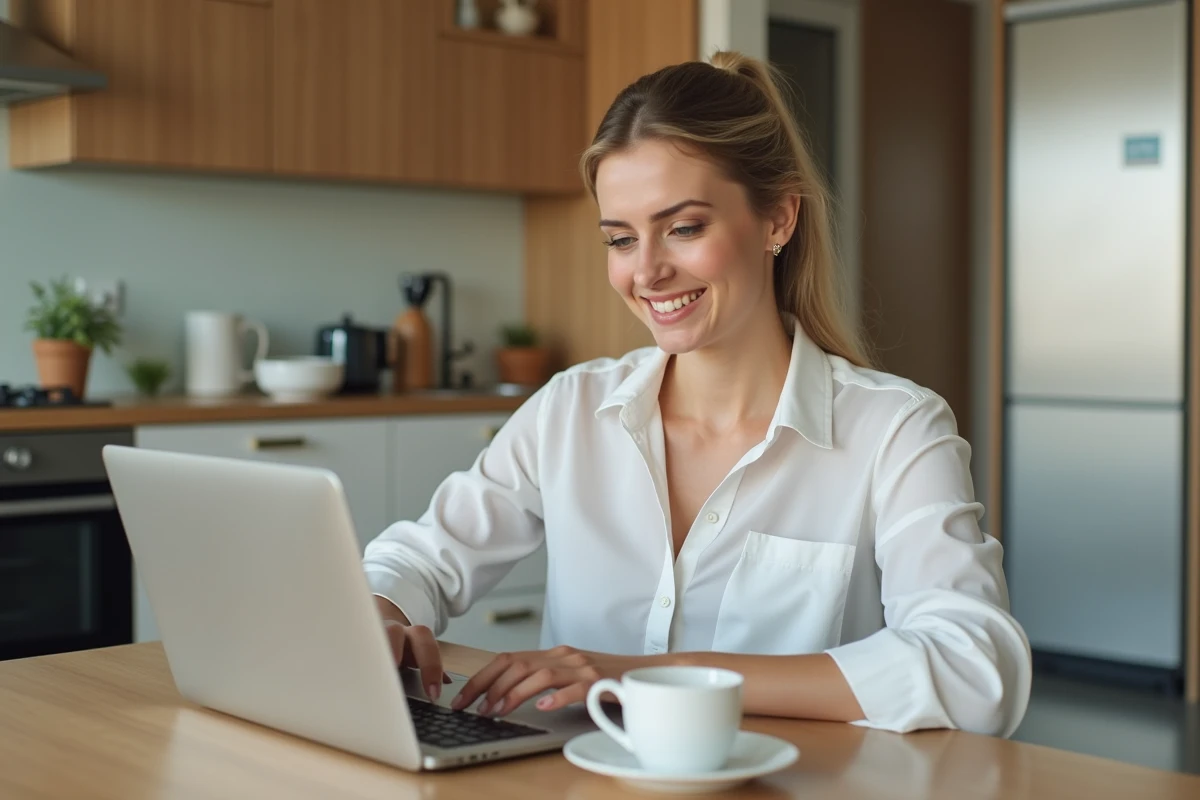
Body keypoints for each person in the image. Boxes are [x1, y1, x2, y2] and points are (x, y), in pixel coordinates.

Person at [363, 51, 1031, 737]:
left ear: (778, 220)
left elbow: (977, 668)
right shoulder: (570, 411)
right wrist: (380, 608)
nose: (646, 271)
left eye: (683, 228)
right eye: (621, 239)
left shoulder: (895, 430)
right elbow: (417, 559)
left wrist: (643, 675)